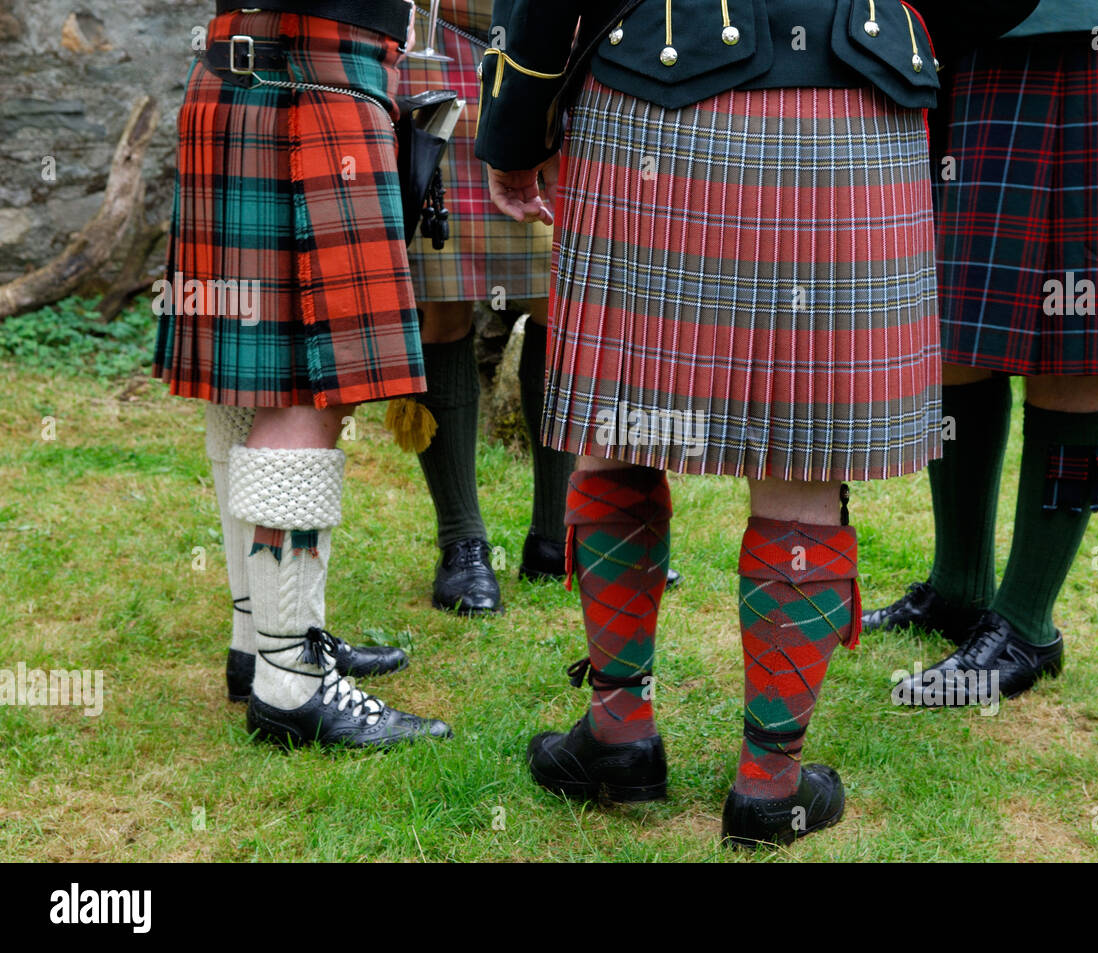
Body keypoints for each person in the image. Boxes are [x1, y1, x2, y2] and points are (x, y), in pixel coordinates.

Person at [479, 0, 1036, 846]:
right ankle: (771, 783)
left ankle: (620, 729)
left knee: (622, 420)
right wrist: (896, 29)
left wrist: (517, 126)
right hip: (857, 104)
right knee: (804, 459)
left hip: (653, 102)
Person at [867, 0, 1098, 706]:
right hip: (959, 29)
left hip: (1091, 33)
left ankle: (1026, 624)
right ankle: (960, 587)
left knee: (1076, 328)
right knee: (957, 314)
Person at [154, 0, 452, 747]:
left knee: (249, 377)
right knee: (306, 382)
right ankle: (291, 682)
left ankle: (258, 640)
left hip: (243, 73)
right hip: (308, 79)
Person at [398, 0, 680, 614]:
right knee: (442, 303)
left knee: (563, 300)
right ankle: (462, 545)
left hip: (544, 58)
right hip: (433, 52)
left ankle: (557, 536)